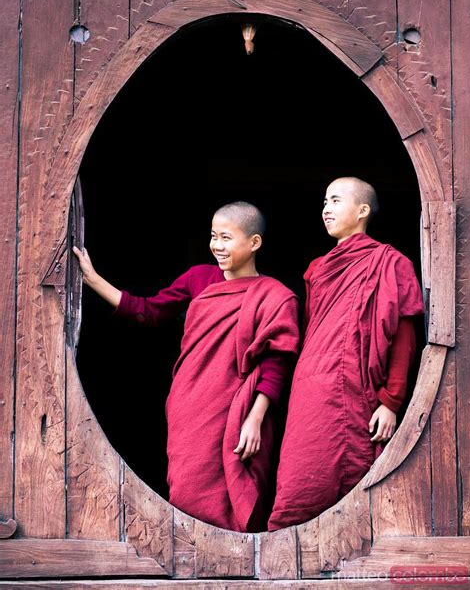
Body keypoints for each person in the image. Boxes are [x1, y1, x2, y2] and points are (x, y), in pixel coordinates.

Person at [73, 201, 299, 532]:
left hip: (240, 409)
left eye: (227, 238)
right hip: (190, 405)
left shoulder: (275, 296)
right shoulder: (199, 278)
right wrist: (93, 280)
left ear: (254, 243)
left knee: (241, 486)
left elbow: (276, 363)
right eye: (213, 236)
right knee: (188, 485)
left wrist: (255, 418)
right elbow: (148, 311)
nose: (217, 246)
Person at [268, 177, 425, 531]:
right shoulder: (318, 269)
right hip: (309, 386)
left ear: (362, 210)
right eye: (325, 201)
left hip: (358, 389)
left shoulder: (390, 263)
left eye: (336, 201)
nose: (326, 209)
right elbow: (316, 331)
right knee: (298, 481)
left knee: (356, 490)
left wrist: (391, 401)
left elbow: (403, 336)